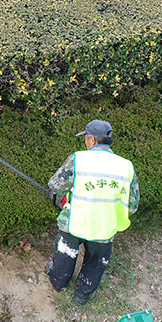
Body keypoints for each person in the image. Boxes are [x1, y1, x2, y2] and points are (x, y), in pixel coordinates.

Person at [46, 119, 139, 306]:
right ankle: (82, 295)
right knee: (96, 262)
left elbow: (55, 186)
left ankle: (58, 282)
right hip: (105, 227)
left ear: (93, 141)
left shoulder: (78, 159)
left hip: (75, 222)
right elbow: (132, 205)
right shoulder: (126, 166)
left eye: (86, 139)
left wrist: (62, 200)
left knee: (66, 253)